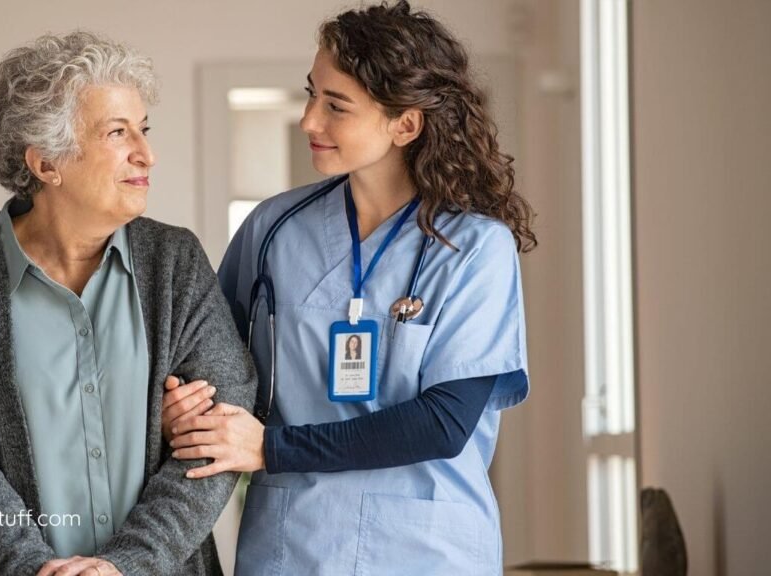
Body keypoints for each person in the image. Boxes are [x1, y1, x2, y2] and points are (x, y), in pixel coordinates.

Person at [160, 2, 535, 574]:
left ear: (405, 125)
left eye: (336, 106)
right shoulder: (272, 230)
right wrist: (180, 407)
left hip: (426, 553)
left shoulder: (474, 248)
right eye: (312, 95)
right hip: (291, 548)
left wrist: (270, 448)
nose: (309, 120)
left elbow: (444, 422)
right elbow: (210, 366)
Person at [0, 31, 256, 576]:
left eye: (144, 128)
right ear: (45, 163)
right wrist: (32, 567)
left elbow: (218, 435)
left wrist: (126, 565)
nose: (146, 153)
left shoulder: (175, 262)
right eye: (117, 132)